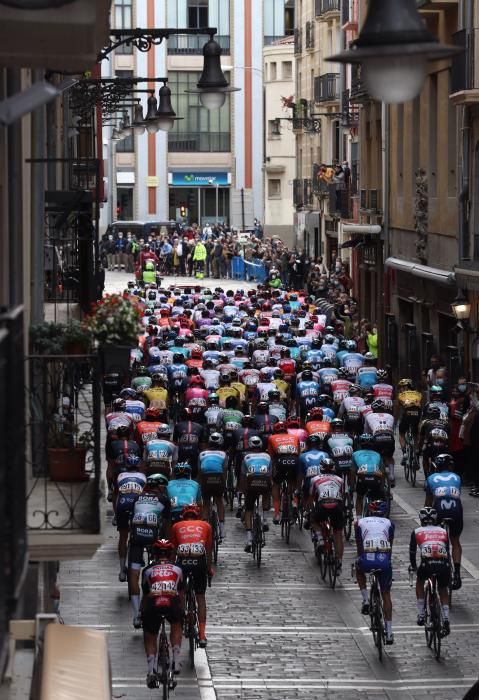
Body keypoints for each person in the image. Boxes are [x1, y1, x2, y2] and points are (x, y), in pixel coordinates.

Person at [128, 473, 171, 628]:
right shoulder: (163, 499)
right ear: (159, 488)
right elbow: (166, 525)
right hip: (153, 537)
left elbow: (131, 517)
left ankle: (136, 616)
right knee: (156, 570)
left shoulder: (137, 498)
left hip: (136, 538)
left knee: (133, 575)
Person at [140, 539, 183, 688]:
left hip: (154, 601)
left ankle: (151, 670)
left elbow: (145, 595)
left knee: (150, 634)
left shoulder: (147, 570)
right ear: (170, 554)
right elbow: (181, 592)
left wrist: (141, 613)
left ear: (155, 554)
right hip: (172, 601)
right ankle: (176, 662)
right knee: (176, 624)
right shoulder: (178, 568)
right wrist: (182, 611)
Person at [170, 504, 213, 648]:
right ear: (198, 515)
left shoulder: (176, 526)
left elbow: (173, 551)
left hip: (183, 561)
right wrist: (209, 569)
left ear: (183, 516)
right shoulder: (205, 525)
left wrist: (170, 569)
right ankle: (202, 635)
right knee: (200, 597)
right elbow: (208, 550)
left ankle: (182, 621)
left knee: (180, 592)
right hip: (199, 560)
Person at [355, 500, 395, 645]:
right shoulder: (390, 523)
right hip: (384, 559)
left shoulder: (360, 522)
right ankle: (389, 632)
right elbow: (390, 543)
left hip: (367, 558)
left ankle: (365, 599)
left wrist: (360, 557)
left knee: (358, 567)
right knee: (386, 594)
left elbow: (359, 543)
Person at [409, 507, 450, 635]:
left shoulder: (416, 531)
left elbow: (412, 552)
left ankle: (421, 614)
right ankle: (447, 618)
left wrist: (414, 566)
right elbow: (447, 551)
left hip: (427, 564)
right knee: (443, 589)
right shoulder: (443, 531)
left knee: (420, 581)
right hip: (443, 564)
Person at [425, 453, 463, 590]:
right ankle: (457, 573)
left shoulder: (430, 478)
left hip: (439, 510)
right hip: (455, 510)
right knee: (455, 541)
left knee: (435, 538)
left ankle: (437, 563)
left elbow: (428, 504)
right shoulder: (457, 477)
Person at [309, 457, 345, 574]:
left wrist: (309, 510)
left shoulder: (315, 479)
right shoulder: (340, 479)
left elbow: (312, 496)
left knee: (313, 520)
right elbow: (342, 495)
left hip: (323, 505)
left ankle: (320, 538)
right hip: (336, 506)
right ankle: (339, 561)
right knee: (338, 534)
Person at [241, 435, 273, 551]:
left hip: (251, 482)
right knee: (266, 492)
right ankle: (264, 519)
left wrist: (243, 491)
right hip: (264, 481)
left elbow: (243, 476)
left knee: (249, 510)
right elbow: (269, 475)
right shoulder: (268, 456)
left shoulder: (246, 456)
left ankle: (249, 539)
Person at [198, 433, 228, 539]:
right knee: (219, 501)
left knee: (206, 503)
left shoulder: (202, 454)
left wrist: (199, 485)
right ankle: (222, 528)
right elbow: (224, 471)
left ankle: (205, 527)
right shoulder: (223, 454)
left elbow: (200, 471)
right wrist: (224, 485)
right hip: (218, 478)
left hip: (206, 478)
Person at [396, 378, 422, 465]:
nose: (400, 389)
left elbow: (398, 410)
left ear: (405, 387)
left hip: (407, 414)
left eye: (401, 387)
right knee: (415, 434)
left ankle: (405, 453)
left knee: (401, 433)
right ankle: (416, 452)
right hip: (417, 414)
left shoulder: (401, 395)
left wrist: (396, 421)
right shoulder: (419, 394)